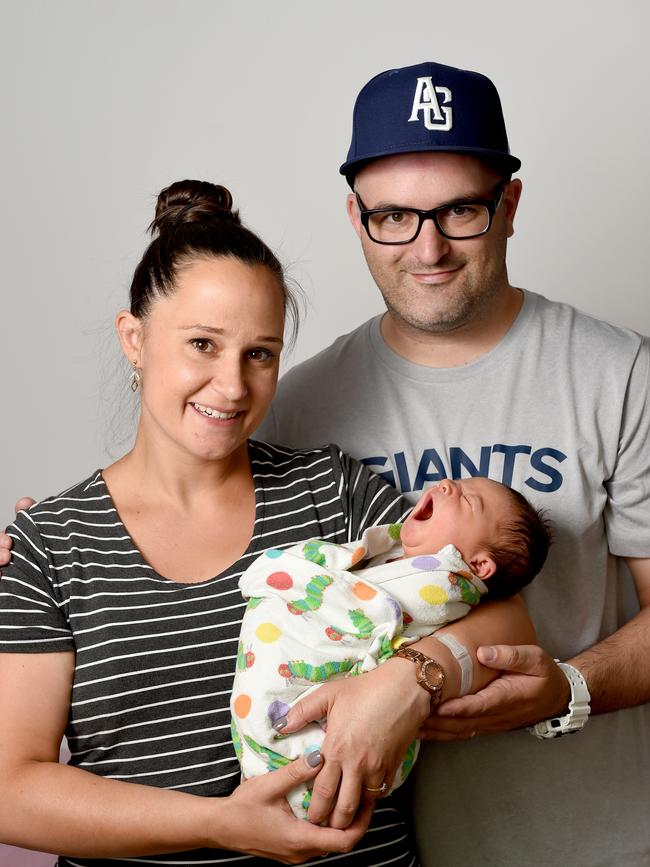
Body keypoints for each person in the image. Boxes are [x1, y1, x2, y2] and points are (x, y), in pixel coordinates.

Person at [0, 178, 534, 866]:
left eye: (260, 353)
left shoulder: (331, 489)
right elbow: (13, 789)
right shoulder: (48, 545)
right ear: (133, 339)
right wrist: (221, 823)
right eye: (202, 344)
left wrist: (406, 679)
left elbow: (508, 618)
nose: (231, 385)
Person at [255, 61, 650, 866]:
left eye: (460, 210)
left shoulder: (622, 374)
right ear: (355, 217)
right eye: (394, 215)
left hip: (593, 842)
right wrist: (61, 536)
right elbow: (221, 566)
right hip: (376, 852)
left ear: (508, 206)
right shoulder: (299, 406)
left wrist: (567, 686)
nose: (427, 247)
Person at [233, 477, 550, 819]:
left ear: (476, 566)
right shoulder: (389, 558)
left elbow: (511, 623)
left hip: (334, 743)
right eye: (456, 482)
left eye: (469, 500)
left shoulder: (442, 582)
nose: (446, 484)